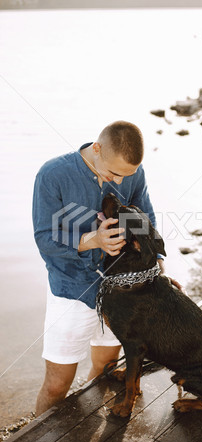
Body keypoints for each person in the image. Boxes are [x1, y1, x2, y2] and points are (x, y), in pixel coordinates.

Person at [32, 120, 183, 416]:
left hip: (125, 295)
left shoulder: (131, 172)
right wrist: (92, 240)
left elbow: (146, 221)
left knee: (105, 370)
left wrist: (159, 272)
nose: (118, 181)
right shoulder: (52, 174)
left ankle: (83, 427)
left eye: (125, 176)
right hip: (71, 290)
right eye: (113, 173)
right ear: (97, 148)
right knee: (56, 385)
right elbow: (44, 236)